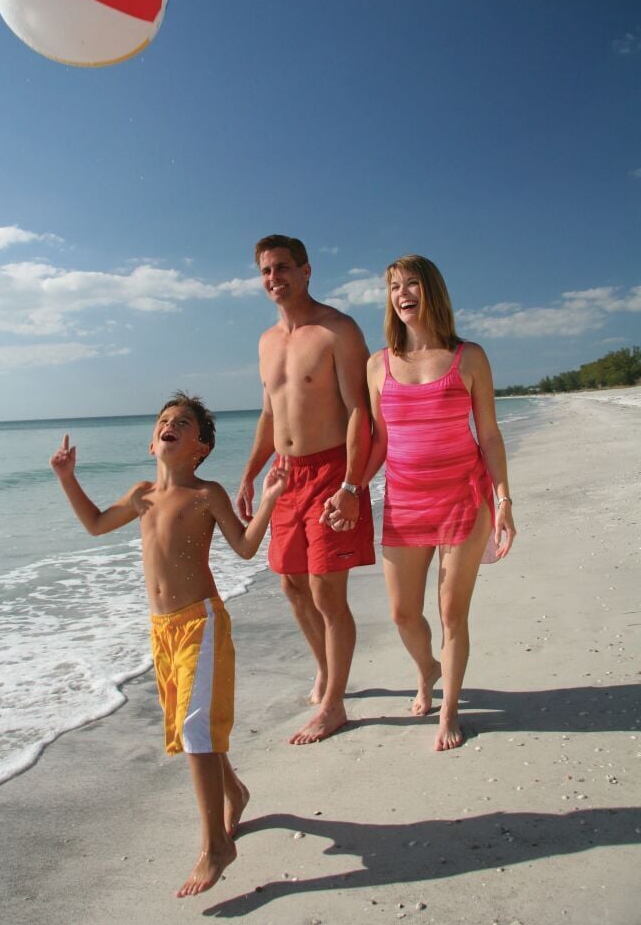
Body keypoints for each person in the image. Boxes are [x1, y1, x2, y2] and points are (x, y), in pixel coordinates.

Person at [50, 392, 288, 898]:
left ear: (199, 447)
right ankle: (235, 791)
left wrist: (267, 499)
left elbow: (245, 549)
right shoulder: (142, 496)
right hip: (161, 630)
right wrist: (68, 479)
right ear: (151, 440)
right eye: (163, 420)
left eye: (182, 422)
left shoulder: (207, 494)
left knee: (195, 726)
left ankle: (215, 847)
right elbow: (94, 525)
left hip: (201, 623)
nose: (169, 425)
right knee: (189, 724)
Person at [361, 255, 516, 752]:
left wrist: (504, 498)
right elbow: (380, 441)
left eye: (411, 284)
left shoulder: (468, 357)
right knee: (403, 614)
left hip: (463, 499)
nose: (402, 293)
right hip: (404, 504)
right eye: (393, 287)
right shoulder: (378, 364)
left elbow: (489, 435)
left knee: (452, 613)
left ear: (432, 291)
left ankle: (448, 710)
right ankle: (427, 670)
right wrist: (349, 487)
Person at [236, 235, 374, 745]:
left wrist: (352, 485)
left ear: (307, 270)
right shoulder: (266, 341)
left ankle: (335, 705)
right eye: (266, 272)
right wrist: (251, 472)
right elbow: (270, 413)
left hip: (332, 471)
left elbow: (360, 409)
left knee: (325, 591)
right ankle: (326, 670)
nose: (275, 278)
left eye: (283, 268)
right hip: (285, 474)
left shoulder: (337, 330)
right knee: (291, 584)